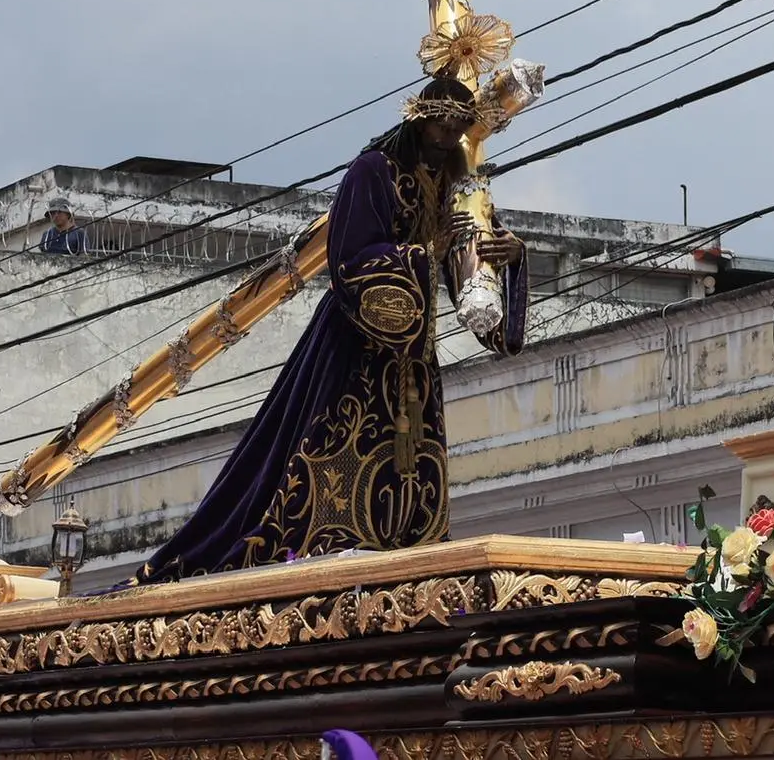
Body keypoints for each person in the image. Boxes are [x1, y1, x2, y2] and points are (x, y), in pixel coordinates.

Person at [114, 77, 528, 587]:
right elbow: (351, 258)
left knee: (412, 463)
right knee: (315, 454)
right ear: (420, 119)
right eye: (441, 123)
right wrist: (418, 258)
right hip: (356, 342)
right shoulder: (372, 171)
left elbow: (473, 274)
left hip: (414, 355)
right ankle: (321, 548)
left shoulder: (457, 186)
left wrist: (507, 259)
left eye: (458, 126)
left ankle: (402, 547)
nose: (448, 135)